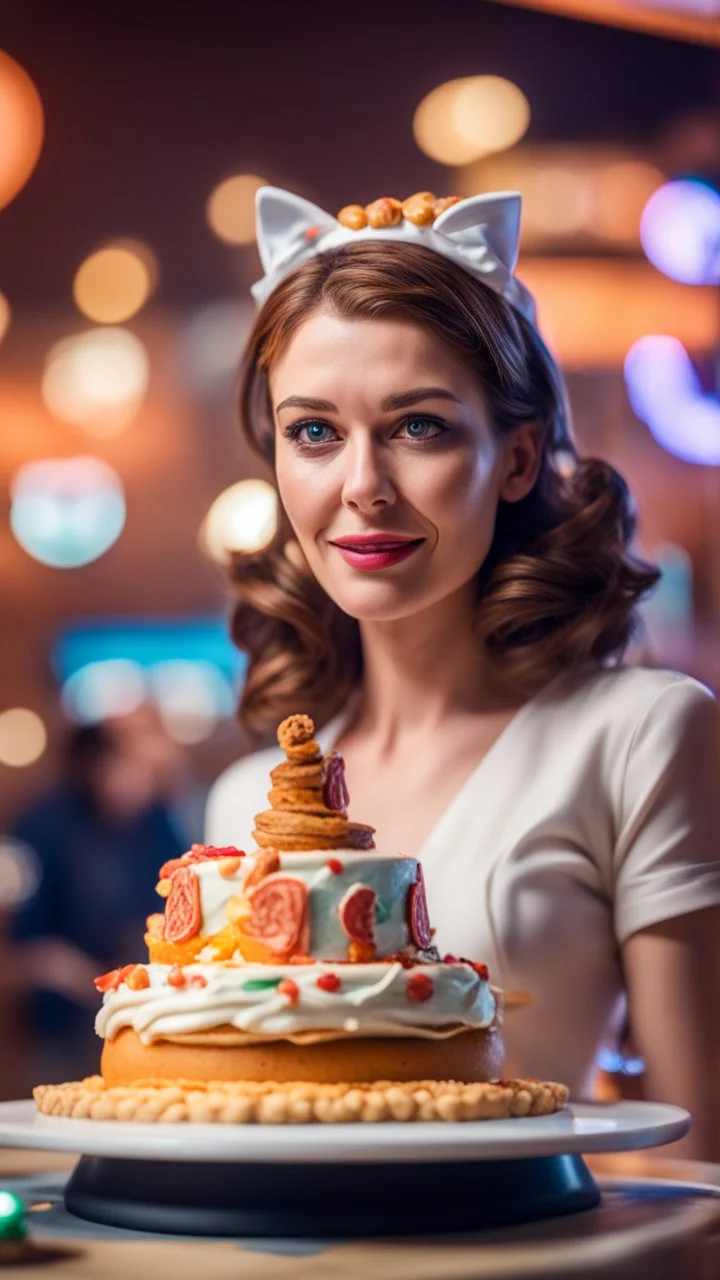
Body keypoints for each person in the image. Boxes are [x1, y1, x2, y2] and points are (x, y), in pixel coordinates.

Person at [206, 187, 720, 1158]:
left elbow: (697, 1171)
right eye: (314, 431)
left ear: (518, 455)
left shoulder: (641, 733)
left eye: (419, 427)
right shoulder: (246, 807)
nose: (362, 485)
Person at [10, 711, 187, 1084]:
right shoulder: (44, 824)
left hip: (145, 1010)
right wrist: (76, 974)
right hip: (63, 1016)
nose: (143, 782)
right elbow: (25, 946)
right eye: (132, 767)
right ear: (95, 766)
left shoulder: (157, 822)